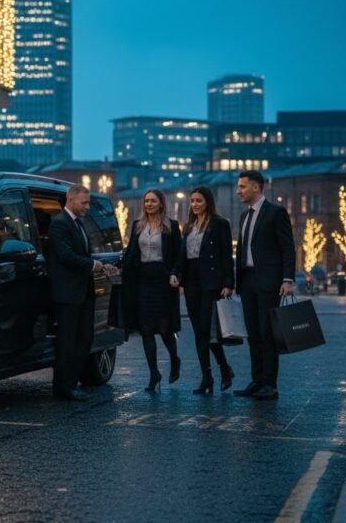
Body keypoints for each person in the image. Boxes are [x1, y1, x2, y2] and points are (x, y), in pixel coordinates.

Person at [47, 184, 117, 401]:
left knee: (84, 340)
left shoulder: (78, 223)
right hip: (68, 294)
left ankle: (71, 383)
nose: (87, 207)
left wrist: (101, 264)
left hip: (83, 292)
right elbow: (65, 255)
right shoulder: (60, 223)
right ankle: (64, 387)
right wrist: (93, 265)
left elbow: (82, 254)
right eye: (84, 203)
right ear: (70, 200)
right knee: (68, 342)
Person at [234, 170, 296, 401]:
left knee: (267, 333)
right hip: (247, 280)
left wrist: (287, 279)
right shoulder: (244, 215)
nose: (238, 191)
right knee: (253, 334)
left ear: (256, 187)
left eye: (242, 186)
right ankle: (257, 380)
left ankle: (270, 385)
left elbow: (287, 247)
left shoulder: (275, 212)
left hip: (269, 282)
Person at [170, 186, 235, 395]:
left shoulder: (220, 224)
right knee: (199, 331)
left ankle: (221, 370)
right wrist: (176, 273)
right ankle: (209, 376)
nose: (195, 204)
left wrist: (228, 283)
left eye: (199, 200)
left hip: (211, 282)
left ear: (208, 202)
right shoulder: (188, 226)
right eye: (192, 201)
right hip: (191, 282)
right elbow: (182, 254)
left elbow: (226, 255)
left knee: (207, 330)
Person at [121, 189, 182, 392]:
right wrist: (120, 269)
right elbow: (131, 252)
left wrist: (175, 273)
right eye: (146, 201)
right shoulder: (137, 225)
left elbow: (179, 255)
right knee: (146, 329)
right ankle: (154, 374)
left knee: (164, 328)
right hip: (142, 280)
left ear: (161, 203)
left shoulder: (171, 226)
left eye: (153, 201)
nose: (149, 204)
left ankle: (174, 359)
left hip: (163, 280)